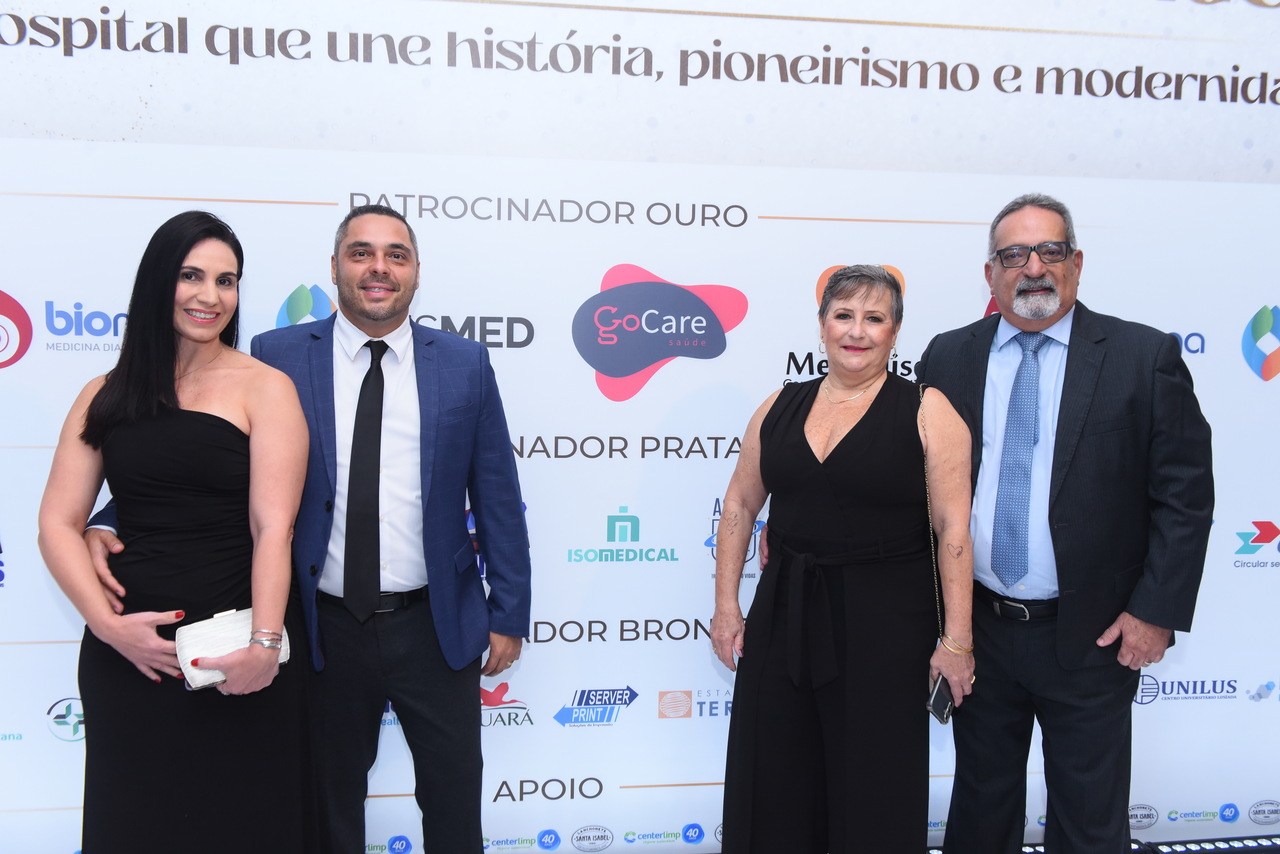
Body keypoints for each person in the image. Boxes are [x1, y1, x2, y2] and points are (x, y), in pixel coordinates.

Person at [87, 204, 531, 852]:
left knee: (454, 800)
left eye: (396, 255)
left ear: (415, 271)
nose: (378, 268)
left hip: (437, 624)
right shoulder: (279, 355)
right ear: (334, 267)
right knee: (328, 806)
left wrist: (509, 612)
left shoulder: (464, 363)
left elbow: (497, 494)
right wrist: (109, 517)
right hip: (322, 626)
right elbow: (206, 457)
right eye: (361, 252)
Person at [916, 193, 1214, 854]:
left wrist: (1155, 612)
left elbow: (1185, 497)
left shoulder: (1142, 356)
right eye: (1014, 255)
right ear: (990, 274)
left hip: (1094, 637)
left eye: (1050, 250)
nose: (1034, 267)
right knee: (981, 809)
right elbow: (912, 480)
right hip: (978, 632)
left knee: (1089, 822)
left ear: (1076, 263)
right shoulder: (948, 357)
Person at [38, 211, 311, 853]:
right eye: (192, 276)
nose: (209, 296)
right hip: (128, 659)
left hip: (234, 653)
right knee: (135, 825)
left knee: (244, 826)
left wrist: (264, 643)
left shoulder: (265, 388)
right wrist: (108, 628)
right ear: (159, 281)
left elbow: (274, 527)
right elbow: (57, 522)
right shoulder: (104, 393)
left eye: (226, 280)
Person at [711, 264, 977, 853]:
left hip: (886, 625)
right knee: (772, 773)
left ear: (895, 331)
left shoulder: (928, 410)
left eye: (874, 318)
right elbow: (740, 504)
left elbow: (953, 530)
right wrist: (726, 606)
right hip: (784, 613)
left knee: (873, 787)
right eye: (844, 315)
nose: (857, 331)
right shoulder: (779, 404)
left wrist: (957, 641)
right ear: (822, 325)